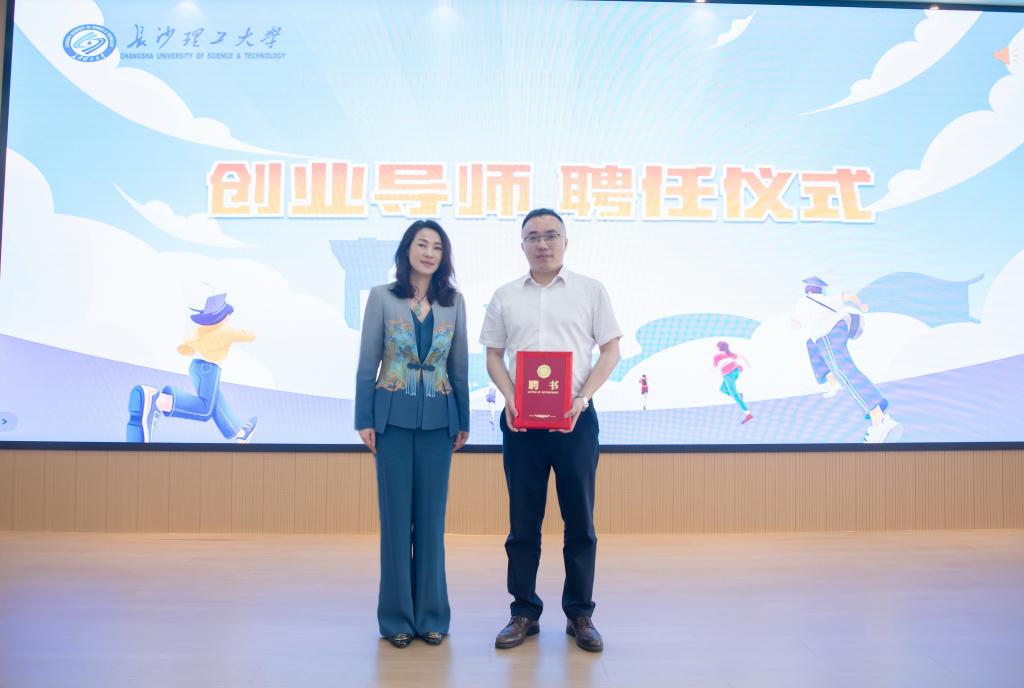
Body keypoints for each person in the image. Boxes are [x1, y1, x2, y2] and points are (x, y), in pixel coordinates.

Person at [480, 208, 621, 653]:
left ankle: (580, 614)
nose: (542, 244)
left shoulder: (591, 291)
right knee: (523, 522)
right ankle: (523, 611)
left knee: (580, 520)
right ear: (522, 244)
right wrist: (509, 395)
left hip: (575, 420)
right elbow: (493, 355)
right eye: (533, 237)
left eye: (551, 235)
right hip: (521, 423)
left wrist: (583, 397)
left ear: (565, 241)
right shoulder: (505, 296)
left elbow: (611, 351)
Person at [355, 219, 470, 648]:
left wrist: (463, 421)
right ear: (407, 250)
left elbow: (459, 366)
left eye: (437, 247)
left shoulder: (454, 301)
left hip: (439, 423)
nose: (429, 253)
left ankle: (433, 616)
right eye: (422, 244)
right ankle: (397, 619)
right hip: (392, 422)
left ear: (444, 256)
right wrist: (364, 419)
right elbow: (368, 360)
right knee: (396, 523)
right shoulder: (382, 297)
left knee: (432, 523)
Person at [125, 293, 258, 444]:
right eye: (228, 314)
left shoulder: (200, 330)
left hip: (195, 368)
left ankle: (240, 433)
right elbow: (250, 336)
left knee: (216, 401)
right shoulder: (226, 330)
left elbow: (185, 347)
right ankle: (158, 400)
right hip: (210, 368)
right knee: (205, 409)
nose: (229, 317)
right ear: (223, 315)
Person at [791, 276, 901, 443]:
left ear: (807, 291)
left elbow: (795, 323)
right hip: (839, 328)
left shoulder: (804, 301)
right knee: (812, 345)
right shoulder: (826, 299)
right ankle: (832, 380)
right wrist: (862, 306)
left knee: (844, 371)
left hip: (827, 334)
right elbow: (850, 297)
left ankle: (878, 419)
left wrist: (794, 324)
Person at [713, 342, 752, 424]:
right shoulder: (729, 354)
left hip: (728, 374)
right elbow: (742, 356)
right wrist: (747, 363)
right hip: (736, 371)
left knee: (734, 394)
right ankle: (739, 395)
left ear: (718, 348)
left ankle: (748, 414)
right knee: (722, 389)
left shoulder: (716, 356)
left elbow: (714, 368)